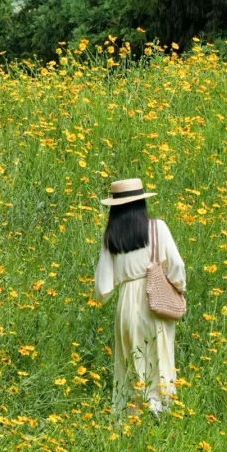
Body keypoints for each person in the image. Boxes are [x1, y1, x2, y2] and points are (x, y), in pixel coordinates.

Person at [93, 178, 186, 417]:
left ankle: (132, 413)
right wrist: (177, 287)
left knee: (130, 360)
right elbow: (177, 265)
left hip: (126, 304)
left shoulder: (111, 237)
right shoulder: (158, 228)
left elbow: (102, 286)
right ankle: (159, 407)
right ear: (141, 203)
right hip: (154, 298)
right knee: (159, 354)